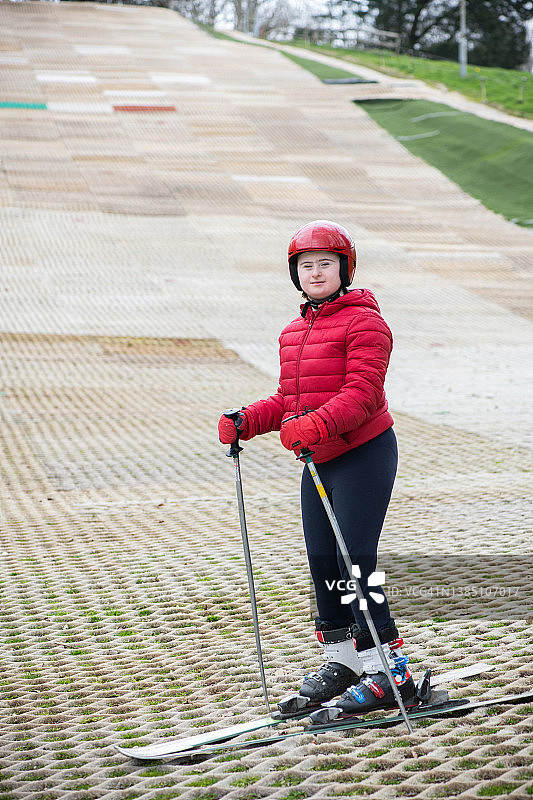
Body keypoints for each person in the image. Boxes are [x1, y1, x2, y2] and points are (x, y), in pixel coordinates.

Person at [218, 220, 414, 717]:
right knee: (323, 563)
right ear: (295, 274)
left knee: (355, 564)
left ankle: (390, 672)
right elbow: (290, 399)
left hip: (363, 454)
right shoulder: (293, 331)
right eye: (306, 266)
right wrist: (248, 420)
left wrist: (316, 425)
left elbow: (362, 394)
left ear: (346, 268)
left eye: (326, 263)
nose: (316, 272)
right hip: (319, 459)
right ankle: (344, 662)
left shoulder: (366, 323)